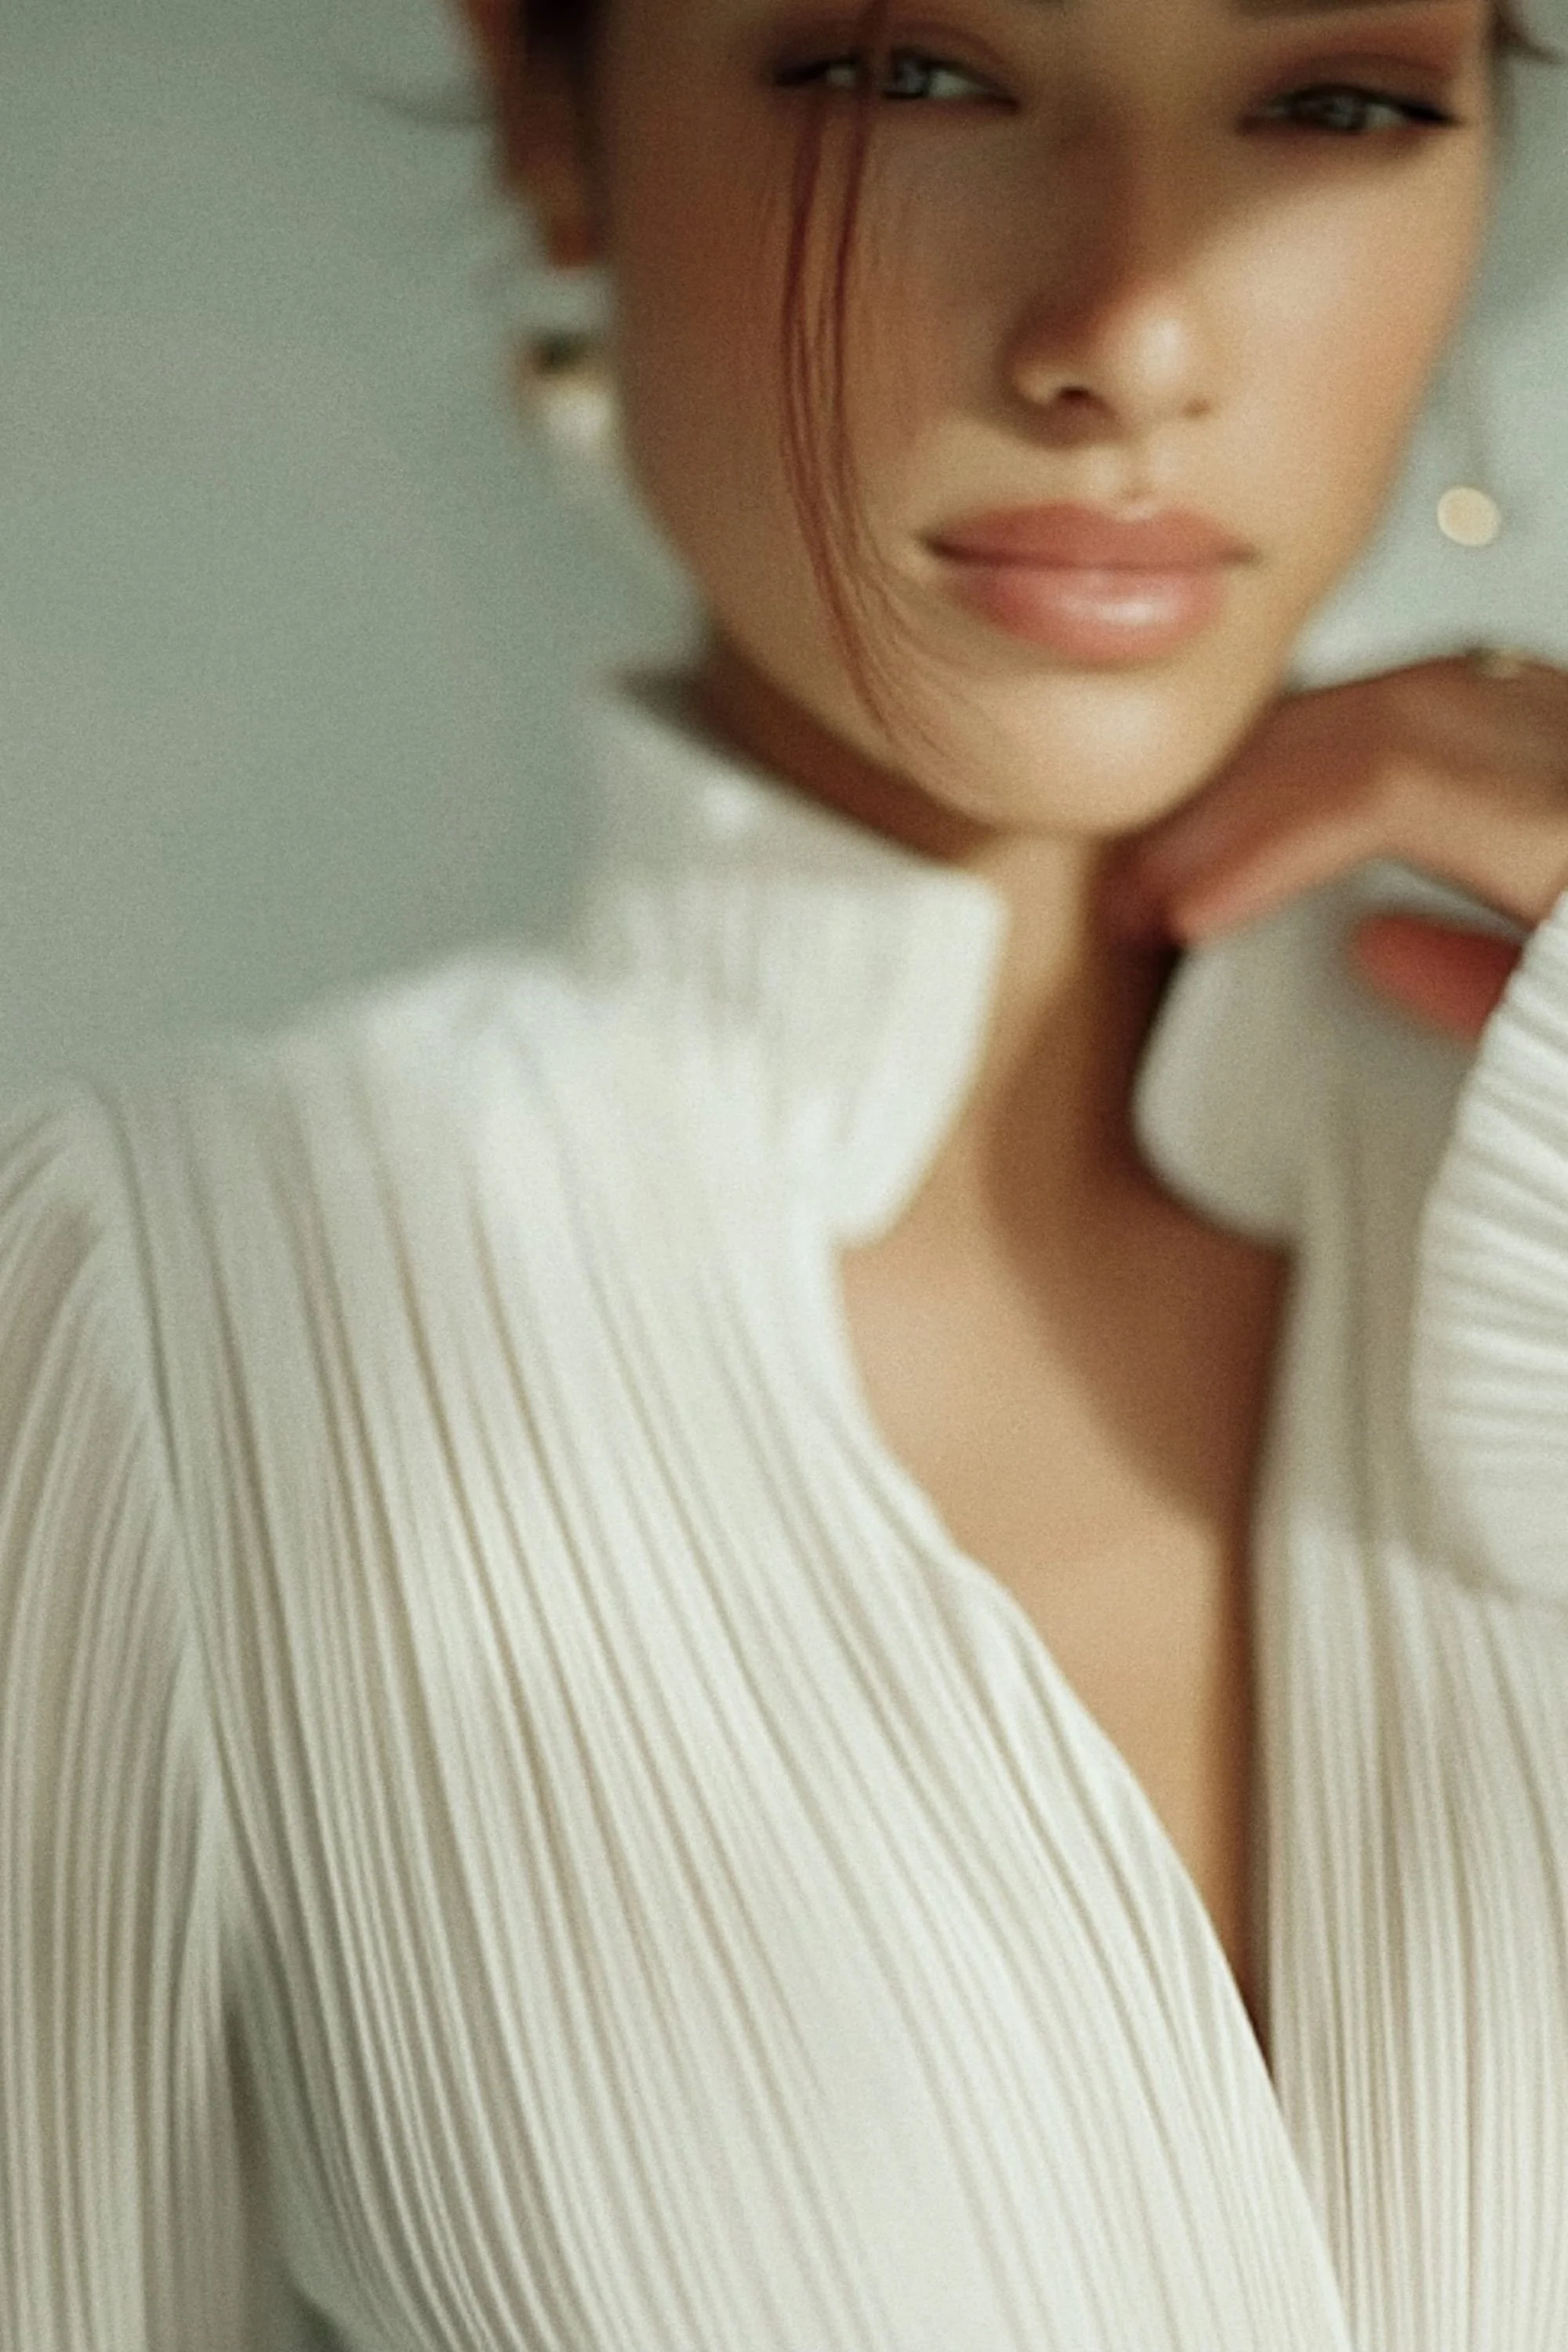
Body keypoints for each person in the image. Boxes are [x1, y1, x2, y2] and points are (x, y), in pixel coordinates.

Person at [4, 0, 1568, 2343]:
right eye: (907, 71)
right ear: (559, 113)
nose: (1130, 331)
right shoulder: (171, 1309)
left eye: (1336, 102)